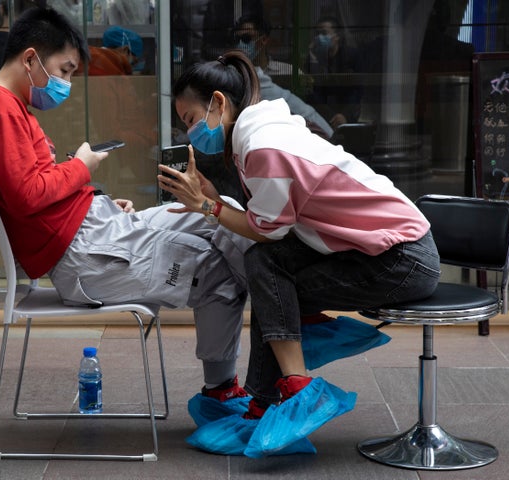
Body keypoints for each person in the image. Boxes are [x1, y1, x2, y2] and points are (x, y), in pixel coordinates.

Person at [0, 7, 254, 414]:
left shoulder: (11, 108)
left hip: (94, 231)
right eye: (64, 70)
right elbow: (27, 195)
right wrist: (81, 166)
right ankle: (222, 392)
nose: (65, 83)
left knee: (211, 212)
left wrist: (93, 197)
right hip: (84, 254)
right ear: (30, 59)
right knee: (216, 268)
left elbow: (38, 190)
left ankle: (289, 308)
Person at [159, 50, 441, 457]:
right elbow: (270, 225)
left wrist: (207, 206)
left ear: (219, 103)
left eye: (190, 120)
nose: (190, 134)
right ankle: (268, 396)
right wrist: (211, 197)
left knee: (268, 274)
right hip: (380, 249)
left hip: (402, 259)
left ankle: (297, 392)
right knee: (265, 268)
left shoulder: (263, 148)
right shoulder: (260, 132)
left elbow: (264, 230)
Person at [232, 14, 334, 140]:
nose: (241, 44)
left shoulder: (290, 72)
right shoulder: (237, 77)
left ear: (263, 40)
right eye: (237, 39)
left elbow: (308, 109)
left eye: (247, 38)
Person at [304, 15, 363, 129]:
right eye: (317, 34)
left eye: (324, 33)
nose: (320, 37)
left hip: (347, 114)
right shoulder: (314, 59)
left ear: (337, 36)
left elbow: (357, 90)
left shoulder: (351, 56)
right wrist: (313, 59)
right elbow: (312, 91)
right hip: (323, 117)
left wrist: (344, 115)